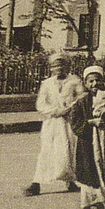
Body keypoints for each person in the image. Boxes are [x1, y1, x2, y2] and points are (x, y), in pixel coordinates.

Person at [24, 54, 83, 197]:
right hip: (52, 122)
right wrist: (56, 111)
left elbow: (81, 98)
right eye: (55, 66)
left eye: (62, 66)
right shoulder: (47, 84)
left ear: (67, 66)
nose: (59, 69)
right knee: (47, 151)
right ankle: (36, 183)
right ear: (51, 68)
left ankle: (70, 181)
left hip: (69, 121)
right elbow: (41, 104)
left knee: (68, 150)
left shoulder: (74, 81)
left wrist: (70, 108)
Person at [70, 66, 105, 209]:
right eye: (90, 81)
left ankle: (100, 200)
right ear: (86, 84)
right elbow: (75, 123)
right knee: (89, 173)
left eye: (97, 80)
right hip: (88, 144)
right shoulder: (81, 102)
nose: (94, 84)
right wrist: (91, 123)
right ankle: (88, 204)